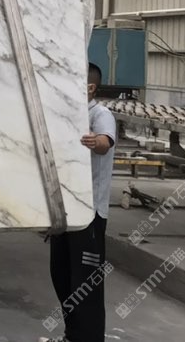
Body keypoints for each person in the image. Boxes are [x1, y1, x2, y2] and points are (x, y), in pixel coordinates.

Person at [40, 62, 116, 342]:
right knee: (62, 276)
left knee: (86, 285)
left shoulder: (100, 114)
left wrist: (95, 141)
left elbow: (105, 142)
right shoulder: (67, 117)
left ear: (90, 88)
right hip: (67, 214)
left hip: (89, 216)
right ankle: (72, 336)